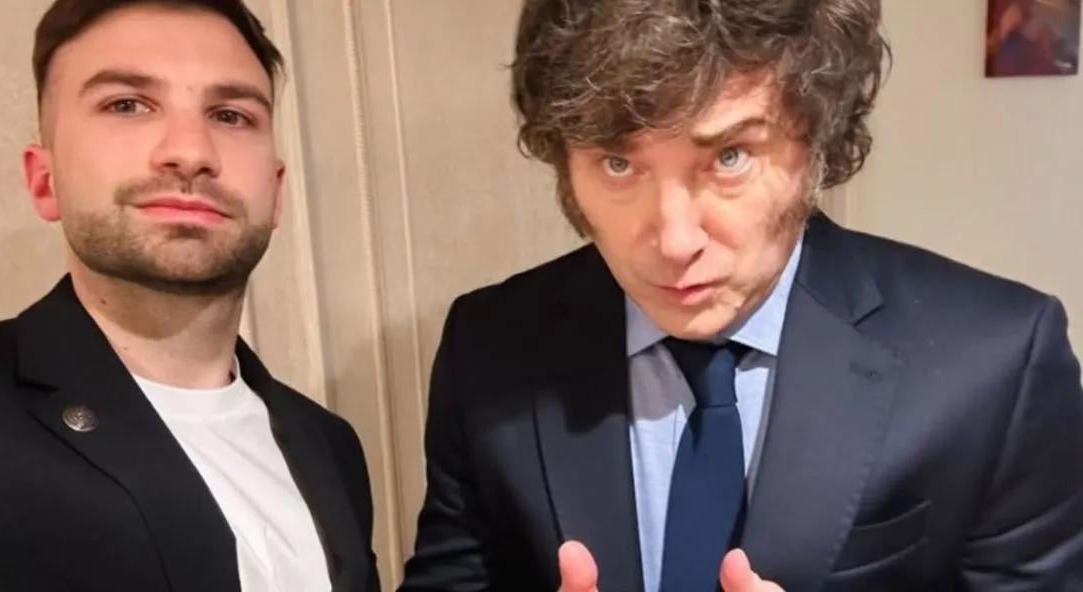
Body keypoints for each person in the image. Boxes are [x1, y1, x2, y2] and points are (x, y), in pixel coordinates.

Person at [398, 0, 1083, 591]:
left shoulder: (997, 364)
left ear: (816, 139)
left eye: (729, 157)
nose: (674, 241)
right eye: (618, 163)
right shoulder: (489, 345)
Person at [0, 1, 379, 591]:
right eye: (127, 105)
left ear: (275, 193)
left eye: (230, 114)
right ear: (45, 180)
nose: (190, 152)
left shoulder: (329, 445)